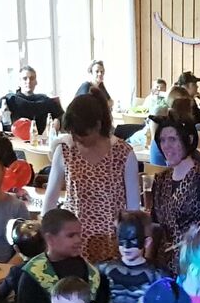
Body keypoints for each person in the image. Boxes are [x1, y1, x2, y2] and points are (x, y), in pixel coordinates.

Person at [44, 96, 141, 265]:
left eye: (82, 134)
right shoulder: (65, 150)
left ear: (97, 126)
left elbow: (133, 209)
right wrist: (47, 237)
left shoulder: (123, 153)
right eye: (73, 133)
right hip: (72, 242)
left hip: (111, 243)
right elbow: (50, 199)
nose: (76, 138)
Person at [16, 209, 112, 303]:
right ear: (50, 239)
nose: (78, 240)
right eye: (71, 236)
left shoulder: (93, 273)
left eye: (79, 234)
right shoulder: (32, 275)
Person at [149, 116, 200, 260]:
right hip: (162, 264)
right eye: (162, 140)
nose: (166, 146)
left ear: (188, 140)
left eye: (172, 139)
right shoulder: (160, 180)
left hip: (193, 263)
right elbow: (155, 226)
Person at [0, 65, 64, 132]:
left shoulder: (45, 100)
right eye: (24, 78)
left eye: (32, 78)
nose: (28, 81)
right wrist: (0, 115)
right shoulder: (9, 99)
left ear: (36, 82)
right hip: (15, 139)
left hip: (39, 139)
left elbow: (64, 117)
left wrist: (57, 120)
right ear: (19, 82)